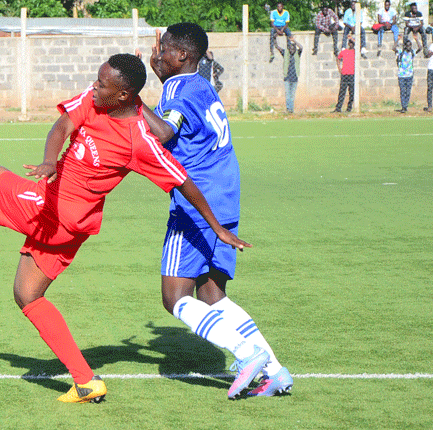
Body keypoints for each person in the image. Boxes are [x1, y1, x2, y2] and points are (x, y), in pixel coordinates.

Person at [0, 53, 251, 403]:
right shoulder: (94, 100)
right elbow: (62, 127)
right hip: (72, 225)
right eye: (97, 80)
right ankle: (86, 381)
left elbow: (184, 182)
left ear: (124, 95)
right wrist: (50, 161)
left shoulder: (139, 141)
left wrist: (217, 228)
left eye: (103, 85)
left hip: (50, 210)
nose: (95, 87)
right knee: (27, 294)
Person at [144, 22, 292, 399]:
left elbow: (163, 132)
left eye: (164, 51)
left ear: (181, 56)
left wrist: (130, 101)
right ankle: (275, 370)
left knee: (174, 298)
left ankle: (247, 355)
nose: (157, 56)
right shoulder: (201, 84)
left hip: (197, 204)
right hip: (225, 197)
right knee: (213, 296)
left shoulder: (177, 91)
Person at [276, 39, 303, 113]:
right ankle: (289, 109)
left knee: (292, 96)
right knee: (288, 95)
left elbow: (301, 48)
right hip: (287, 78)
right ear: (288, 49)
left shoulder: (297, 53)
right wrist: (274, 40)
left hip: (295, 78)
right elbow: (278, 47)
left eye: (293, 48)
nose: (292, 50)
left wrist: (294, 41)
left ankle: (291, 110)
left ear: (295, 49)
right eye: (290, 48)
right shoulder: (285, 53)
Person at [333, 37, 356, 113]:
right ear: (348, 44)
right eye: (350, 43)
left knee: (351, 92)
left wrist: (353, 38)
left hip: (352, 74)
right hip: (345, 74)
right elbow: (338, 58)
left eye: (353, 44)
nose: (351, 45)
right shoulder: (344, 51)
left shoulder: (355, 52)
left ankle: (349, 108)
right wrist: (339, 68)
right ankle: (338, 108)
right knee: (342, 92)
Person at [393, 35, 415, 113]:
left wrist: (417, 39)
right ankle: (403, 107)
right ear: (405, 46)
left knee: (408, 92)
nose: (409, 47)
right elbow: (393, 48)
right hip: (402, 75)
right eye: (408, 45)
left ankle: (406, 106)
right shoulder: (401, 53)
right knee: (402, 91)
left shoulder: (412, 52)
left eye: (410, 45)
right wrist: (398, 40)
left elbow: (420, 48)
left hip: (409, 75)